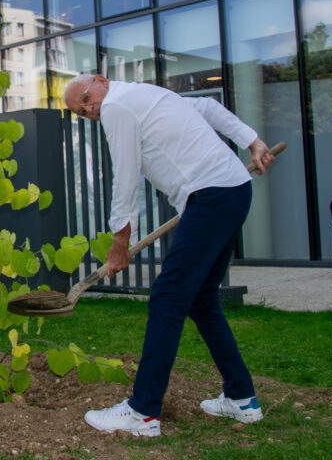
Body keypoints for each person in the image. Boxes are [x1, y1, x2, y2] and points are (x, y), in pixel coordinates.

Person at [64, 74, 275, 438]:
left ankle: (143, 412)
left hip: (211, 195)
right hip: (230, 192)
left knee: (167, 298)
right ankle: (241, 399)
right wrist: (252, 141)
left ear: (100, 81)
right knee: (202, 300)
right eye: (81, 112)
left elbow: (126, 177)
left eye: (86, 98)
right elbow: (207, 107)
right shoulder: (147, 95)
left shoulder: (116, 105)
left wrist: (120, 240)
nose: (89, 109)